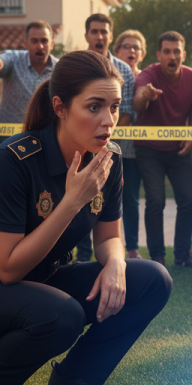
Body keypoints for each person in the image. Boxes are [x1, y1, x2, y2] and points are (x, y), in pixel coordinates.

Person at [0, 51, 172, 385]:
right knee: (62, 314)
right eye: (94, 107)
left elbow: (109, 235)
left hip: (41, 281)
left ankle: (75, 381)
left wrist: (114, 263)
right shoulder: (14, 160)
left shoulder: (106, 159)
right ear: (60, 107)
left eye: (113, 107)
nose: (108, 121)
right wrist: (72, 200)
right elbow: (9, 269)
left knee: (151, 279)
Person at [132, 31, 192, 268]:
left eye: (176, 52)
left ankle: (181, 256)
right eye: (167, 52)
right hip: (148, 149)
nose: (172, 56)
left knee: (188, 200)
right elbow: (137, 102)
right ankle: (157, 256)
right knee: (156, 200)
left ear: (184, 54)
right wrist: (146, 95)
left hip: (178, 148)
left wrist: (191, 137)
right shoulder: (148, 75)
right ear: (158, 54)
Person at [76, 14, 138, 262]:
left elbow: (127, 113)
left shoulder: (123, 70)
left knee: (118, 204)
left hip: (114, 151)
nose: (99, 36)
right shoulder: (75, 65)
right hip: (78, 151)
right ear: (86, 35)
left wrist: (103, 136)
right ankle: (80, 256)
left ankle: (126, 251)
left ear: (111, 36)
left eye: (104, 31)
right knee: (78, 201)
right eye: (94, 31)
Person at [0, 21, 57, 153]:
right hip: (6, 140)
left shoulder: (60, 70)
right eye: (34, 41)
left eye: (44, 41)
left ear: (52, 44)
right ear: (26, 43)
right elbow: (1, 60)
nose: (40, 46)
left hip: (44, 142)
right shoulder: (14, 59)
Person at [113, 29, 147, 260]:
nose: (131, 50)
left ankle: (133, 248)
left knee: (132, 200)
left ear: (142, 54)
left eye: (136, 47)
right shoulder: (110, 77)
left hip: (134, 151)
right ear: (117, 52)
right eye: (126, 46)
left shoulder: (147, 78)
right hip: (109, 148)